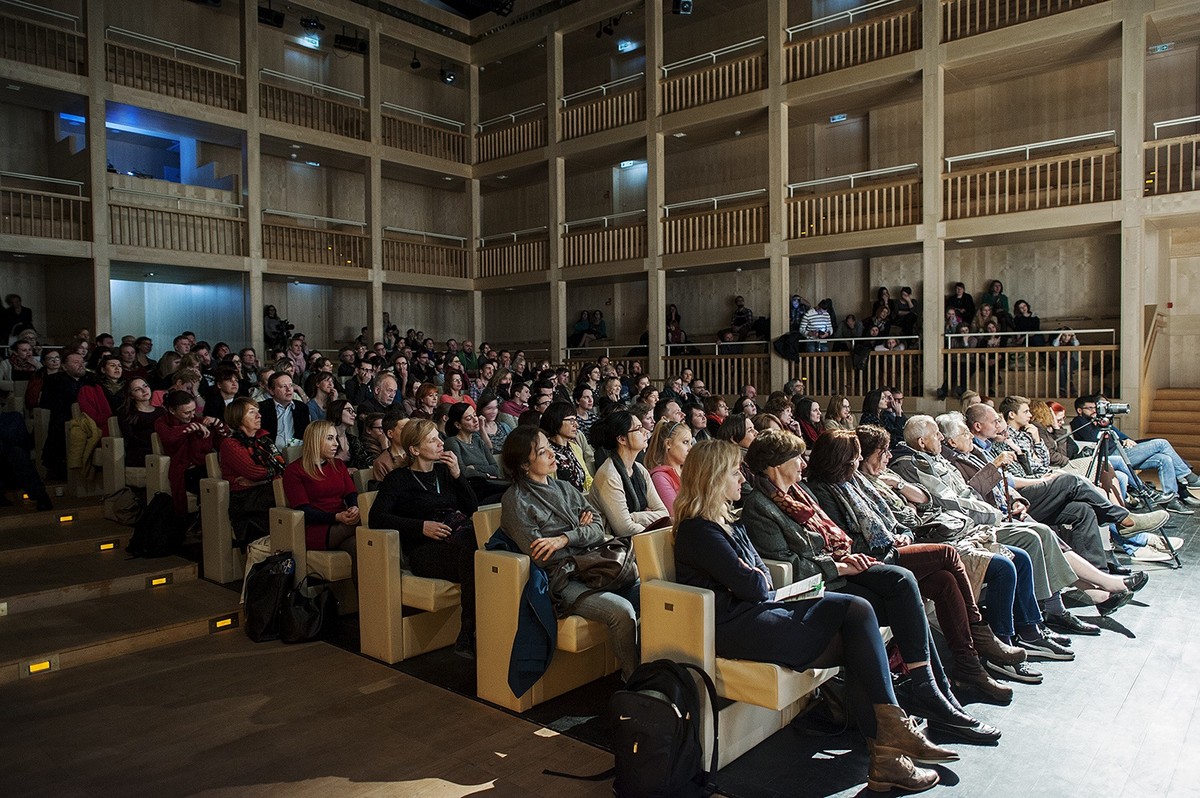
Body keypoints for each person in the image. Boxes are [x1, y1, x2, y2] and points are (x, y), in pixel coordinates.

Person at [674, 439, 954, 792]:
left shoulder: (728, 521)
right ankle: (891, 743)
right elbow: (756, 584)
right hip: (735, 627)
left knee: (858, 628)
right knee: (855, 610)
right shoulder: (698, 530)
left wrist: (750, 578)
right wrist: (751, 579)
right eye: (733, 472)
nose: (741, 478)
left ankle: (888, 755)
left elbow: (756, 576)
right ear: (714, 478)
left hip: (758, 611)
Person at [741, 431, 998, 742]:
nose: (801, 462)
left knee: (911, 582)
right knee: (907, 583)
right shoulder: (760, 505)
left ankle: (935, 688)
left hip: (843, 566)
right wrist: (839, 564)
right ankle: (933, 692)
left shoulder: (799, 493)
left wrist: (847, 557)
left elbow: (834, 537)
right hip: (821, 582)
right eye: (795, 457)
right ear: (774, 465)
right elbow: (789, 565)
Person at [806, 428, 1022, 703]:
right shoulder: (823, 490)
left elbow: (890, 519)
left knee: (943, 580)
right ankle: (980, 635)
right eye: (854, 458)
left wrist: (901, 533)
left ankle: (969, 667)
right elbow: (847, 543)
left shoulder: (855, 481)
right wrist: (894, 540)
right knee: (947, 555)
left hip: (893, 545)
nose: (857, 464)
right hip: (873, 560)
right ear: (841, 460)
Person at [498, 425, 641, 680]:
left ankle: (656, 669)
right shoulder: (516, 500)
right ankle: (634, 680)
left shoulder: (564, 487)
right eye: (543, 452)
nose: (552, 454)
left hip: (593, 563)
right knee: (621, 611)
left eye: (549, 448)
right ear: (523, 465)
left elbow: (597, 527)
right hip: (562, 578)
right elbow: (543, 554)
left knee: (652, 591)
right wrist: (577, 531)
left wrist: (565, 538)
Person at [370, 419, 479, 658]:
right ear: (414, 449)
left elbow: (473, 509)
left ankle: (469, 632)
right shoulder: (398, 479)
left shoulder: (444, 471)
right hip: (423, 550)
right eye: (433, 440)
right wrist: (421, 527)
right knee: (476, 557)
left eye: (439, 438)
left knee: (477, 550)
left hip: (456, 539)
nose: (441, 443)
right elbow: (376, 518)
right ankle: (469, 632)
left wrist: (458, 475)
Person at [1071, 394, 1200, 513]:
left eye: (1095, 407)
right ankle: (1189, 477)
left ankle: (1171, 499)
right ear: (1080, 410)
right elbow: (1094, 438)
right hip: (1112, 455)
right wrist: (1096, 424)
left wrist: (1126, 440)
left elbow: (1121, 436)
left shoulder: (1100, 421)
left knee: (1164, 458)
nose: (1094, 410)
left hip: (1123, 451)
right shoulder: (1079, 421)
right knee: (1161, 443)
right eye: (1090, 408)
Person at [282, 420, 359, 577]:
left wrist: (354, 507)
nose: (336, 444)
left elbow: (351, 494)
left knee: (361, 548)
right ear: (315, 440)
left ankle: (367, 601)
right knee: (371, 523)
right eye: (330, 438)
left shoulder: (338, 465)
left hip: (342, 521)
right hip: (316, 527)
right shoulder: (294, 471)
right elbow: (304, 511)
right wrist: (337, 517)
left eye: (336, 438)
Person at [589, 409, 669, 536]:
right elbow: (624, 529)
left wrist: (635, 517)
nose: (645, 432)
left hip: (639, 537)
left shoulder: (640, 469)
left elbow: (664, 514)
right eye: (638, 429)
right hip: (613, 544)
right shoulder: (609, 475)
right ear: (621, 439)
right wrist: (652, 529)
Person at [219, 398, 284, 547]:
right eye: (252, 412)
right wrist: (265, 477)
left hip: (264, 491)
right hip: (246, 502)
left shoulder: (264, 440)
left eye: (258, 411)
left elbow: (282, 467)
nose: (259, 415)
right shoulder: (230, 444)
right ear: (238, 417)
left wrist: (262, 480)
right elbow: (253, 472)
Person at [156, 390, 228, 516]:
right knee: (208, 482)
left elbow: (224, 441)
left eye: (193, 410)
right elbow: (169, 437)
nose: (192, 415)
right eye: (186, 412)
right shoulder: (162, 422)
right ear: (172, 411)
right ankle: (204, 519)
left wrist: (217, 423)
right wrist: (192, 427)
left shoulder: (200, 421)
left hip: (206, 465)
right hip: (185, 470)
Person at [445, 402, 507, 503]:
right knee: (511, 493)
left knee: (515, 490)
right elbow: (462, 472)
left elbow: (495, 468)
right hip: (472, 490)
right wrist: (486, 475)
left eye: (475, 415)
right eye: (469, 418)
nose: (475, 420)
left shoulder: (478, 440)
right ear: (458, 425)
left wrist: (474, 468)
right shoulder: (452, 442)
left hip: (489, 485)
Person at [538, 401, 592, 493]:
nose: (576, 425)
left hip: (582, 500)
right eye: (571, 420)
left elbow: (587, 478)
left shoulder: (575, 448)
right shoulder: (546, 451)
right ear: (557, 420)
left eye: (576, 420)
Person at [644, 417, 693, 515]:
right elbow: (675, 513)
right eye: (685, 442)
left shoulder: (690, 471)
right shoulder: (659, 477)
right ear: (668, 443)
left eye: (690, 443)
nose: (690, 448)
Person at [117, 377, 164, 468]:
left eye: (145, 386)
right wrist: (155, 445)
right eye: (137, 389)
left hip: (161, 448)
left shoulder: (161, 411)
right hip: (140, 451)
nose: (144, 390)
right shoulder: (126, 413)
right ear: (131, 395)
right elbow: (130, 438)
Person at [258, 372, 309, 451]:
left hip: (296, 453)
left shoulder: (301, 408)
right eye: (283, 386)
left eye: (291, 385)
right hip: (271, 455)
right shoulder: (262, 408)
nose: (288, 389)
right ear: (271, 391)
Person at [77, 354, 126, 433]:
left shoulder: (129, 387)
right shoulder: (90, 389)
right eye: (112, 365)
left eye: (119, 366)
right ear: (103, 370)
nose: (117, 368)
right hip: (104, 428)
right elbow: (91, 415)